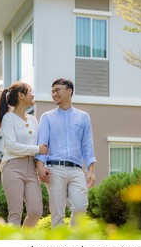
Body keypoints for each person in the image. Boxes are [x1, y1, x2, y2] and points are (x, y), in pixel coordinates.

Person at [35, 78, 96, 228]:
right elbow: (42, 144)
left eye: (57, 90)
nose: (54, 94)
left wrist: (91, 170)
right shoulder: (47, 117)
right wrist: (40, 167)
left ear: (69, 91)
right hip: (54, 169)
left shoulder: (83, 117)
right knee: (57, 213)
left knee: (81, 207)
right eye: (52, 91)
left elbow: (87, 145)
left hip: (76, 170)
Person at [0, 81, 49, 227]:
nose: (33, 95)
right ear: (21, 95)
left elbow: (41, 145)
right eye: (30, 92)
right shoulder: (8, 118)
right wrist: (37, 149)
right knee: (15, 213)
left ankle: (23, 239)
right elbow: (12, 146)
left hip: (31, 169)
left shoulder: (33, 120)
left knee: (36, 211)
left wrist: (40, 165)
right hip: (12, 167)